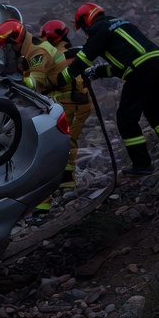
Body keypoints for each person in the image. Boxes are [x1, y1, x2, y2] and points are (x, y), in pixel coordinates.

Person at [62, 3, 159, 175]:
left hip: (141, 68)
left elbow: (85, 57)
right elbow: (121, 67)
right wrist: (96, 72)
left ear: (86, 20)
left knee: (126, 118)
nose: (84, 31)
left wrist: (63, 78)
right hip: (157, 62)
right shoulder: (120, 24)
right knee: (154, 110)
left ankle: (142, 164)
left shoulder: (99, 28)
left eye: (83, 27)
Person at [0, 19, 78, 217]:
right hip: (55, 97)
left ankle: (51, 199)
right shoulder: (28, 48)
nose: (8, 51)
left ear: (16, 38)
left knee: (50, 145)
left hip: (66, 98)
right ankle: (63, 189)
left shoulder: (36, 52)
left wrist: (14, 81)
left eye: (8, 46)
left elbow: (36, 83)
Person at [39, 19, 93, 190]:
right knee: (66, 142)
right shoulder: (70, 52)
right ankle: (64, 183)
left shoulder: (62, 55)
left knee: (67, 143)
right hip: (73, 104)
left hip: (73, 104)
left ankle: (67, 185)